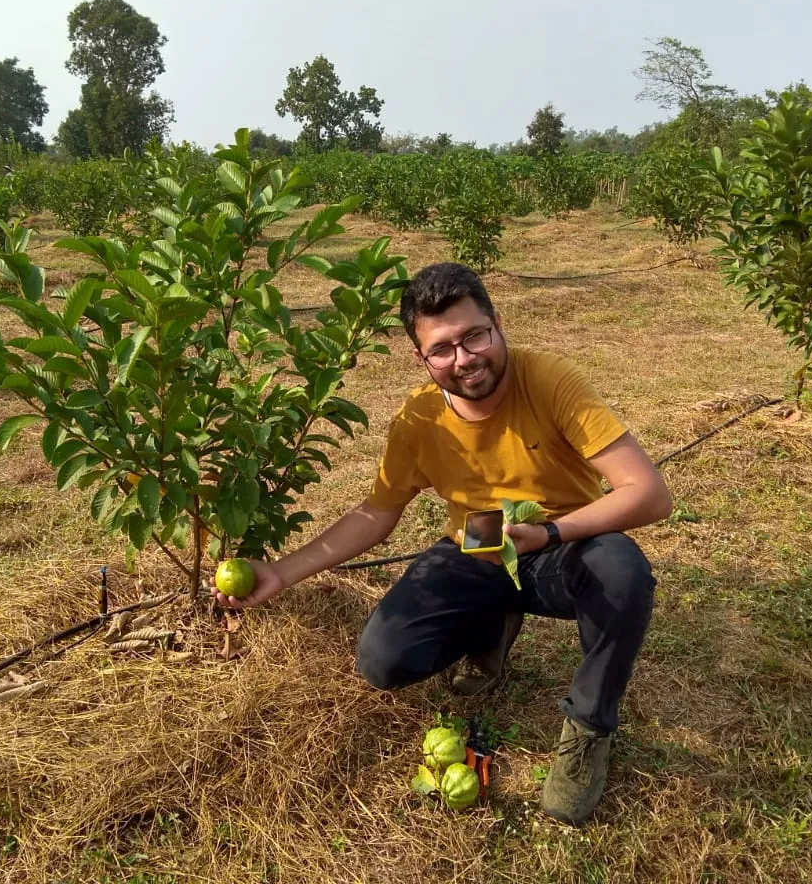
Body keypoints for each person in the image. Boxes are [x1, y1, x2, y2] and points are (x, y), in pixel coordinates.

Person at [213, 262, 672, 825]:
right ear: (421, 358)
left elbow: (649, 493)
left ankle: (588, 729)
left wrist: (550, 532)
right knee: (384, 661)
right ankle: (490, 627)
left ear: (496, 324)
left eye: (474, 335)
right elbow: (377, 511)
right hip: (477, 542)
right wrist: (283, 572)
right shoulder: (419, 418)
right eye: (443, 349)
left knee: (620, 571)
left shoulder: (549, 380)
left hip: (562, 541)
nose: (465, 359)